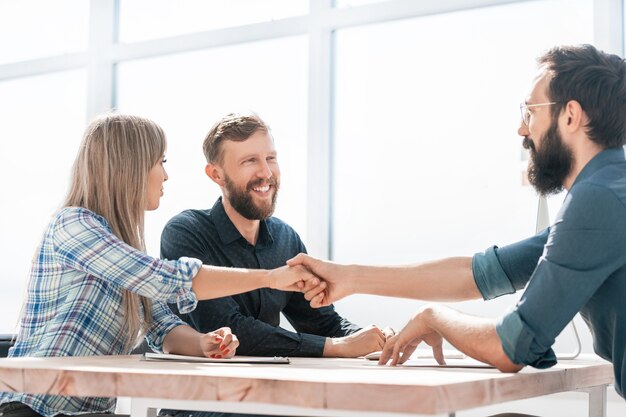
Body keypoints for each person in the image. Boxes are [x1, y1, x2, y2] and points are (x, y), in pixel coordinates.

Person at [291, 44, 626, 398]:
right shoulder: (609, 193)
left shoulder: (598, 200)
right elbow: (480, 274)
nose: (521, 129)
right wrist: (350, 277)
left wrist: (435, 317)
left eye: (529, 112)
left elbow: (510, 347)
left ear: (570, 115)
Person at [0, 114, 316, 417]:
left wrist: (204, 342)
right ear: (130, 167)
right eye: (160, 162)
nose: (165, 175)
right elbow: (164, 279)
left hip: (87, 411)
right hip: (34, 408)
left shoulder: (122, 251)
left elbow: (161, 325)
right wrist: (270, 278)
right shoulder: (73, 224)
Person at [160, 113, 390, 363]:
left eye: (271, 158)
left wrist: (375, 339)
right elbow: (225, 327)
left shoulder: (286, 239)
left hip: (269, 396)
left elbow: (321, 322)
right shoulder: (186, 233)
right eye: (249, 161)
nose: (266, 172)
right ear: (217, 175)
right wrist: (334, 347)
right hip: (200, 398)